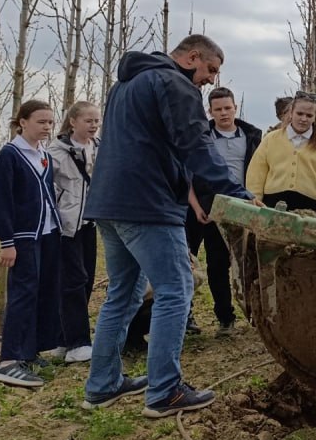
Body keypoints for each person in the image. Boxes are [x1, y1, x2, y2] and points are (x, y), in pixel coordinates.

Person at [82, 34, 252, 417]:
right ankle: (164, 391)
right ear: (193, 57)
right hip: (148, 204)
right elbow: (195, 145)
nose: (210, 80)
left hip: (110, 202)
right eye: (211, 69)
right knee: (176, 289)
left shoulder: (126, 83)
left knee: (122, 295)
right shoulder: (174, 83)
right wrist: (234, 191)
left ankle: (102, 384)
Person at [0, 100, 63, 388]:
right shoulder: (10, 156)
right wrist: (7, 241)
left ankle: (30, 351)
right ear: (23, 122)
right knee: (23, 293)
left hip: (48, 233)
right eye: (41, 122)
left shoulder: (43, 155)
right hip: (23, 237)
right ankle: (7, 361)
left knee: (44, 291)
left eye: (50, 122)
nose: (46, 127)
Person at [185, 86, 262, 333]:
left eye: (227, 108)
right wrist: (196, 206)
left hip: (240, 206)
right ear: (210, 111)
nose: (223, 113)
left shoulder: (252, 136)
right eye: (218, 109)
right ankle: (201, 317)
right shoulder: (201, 137)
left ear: (235, 108)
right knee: (201, 261)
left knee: (234, 262)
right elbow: (188, 174)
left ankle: (239, 315)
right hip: (205, 207)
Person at [49, 100, 101, 364]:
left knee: (87, 279)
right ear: (73, 122)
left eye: (96, 121)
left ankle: (62, 337)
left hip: (89, 223)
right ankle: (78, 343)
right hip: (64, 225)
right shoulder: (55, 152)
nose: (93, 126)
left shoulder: (99, 148)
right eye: (88, 121)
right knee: (73, 281)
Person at [246, 90, 316, 219]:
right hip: (272, 206)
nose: (303, 119)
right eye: (299, 113)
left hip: (310, 210)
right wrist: (254, 198)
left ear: (315, 117)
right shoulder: (271, 139)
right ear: (291, 113)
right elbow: (256, 173)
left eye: (309, 115)